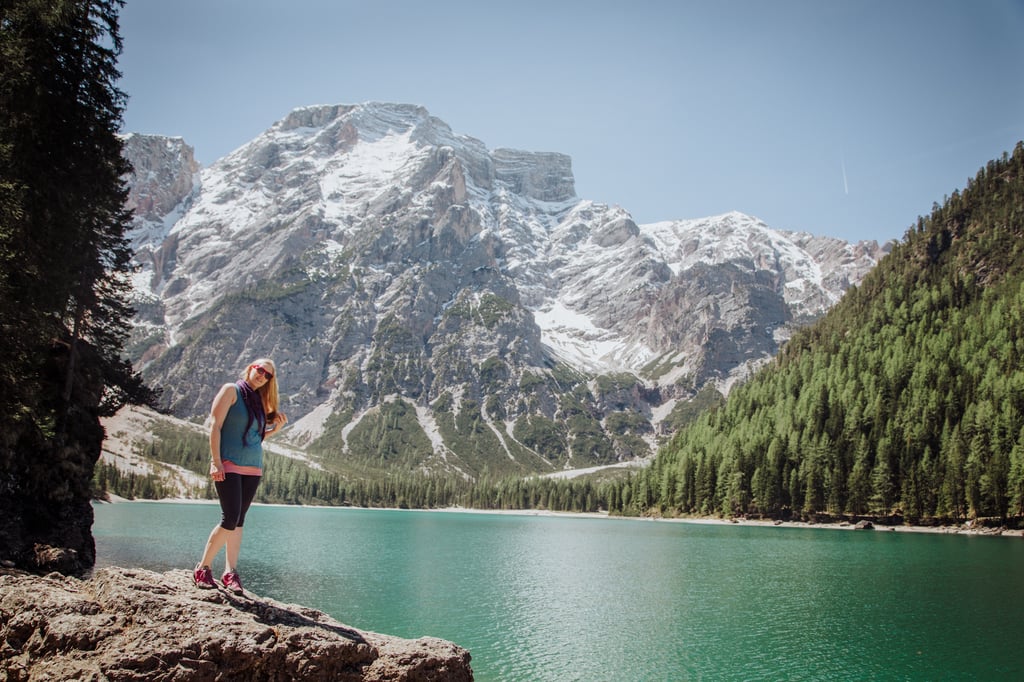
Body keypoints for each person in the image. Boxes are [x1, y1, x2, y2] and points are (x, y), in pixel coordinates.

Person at [193, 358, 287, 594]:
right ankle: (202, 568)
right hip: (229, 463)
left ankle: (230, 572)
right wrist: (216, 462)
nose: (262, 376)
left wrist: (274, 430)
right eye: (260, 370)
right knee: (230, 518)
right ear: (250, 368)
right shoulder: (231, 390)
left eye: (268, 375)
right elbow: (215, 426)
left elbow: (254, 438)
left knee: (239, 521)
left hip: (252, 468)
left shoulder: (259, 402)